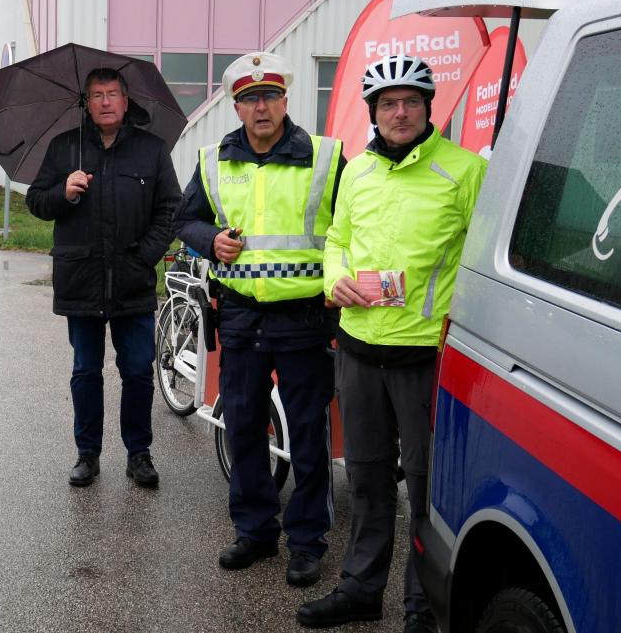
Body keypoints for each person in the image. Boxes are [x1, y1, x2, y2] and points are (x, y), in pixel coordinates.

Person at [297, 54, 487, 633]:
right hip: (358, 350)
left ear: (429, 107)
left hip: (425, 357)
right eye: (387, 104)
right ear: (373, 112)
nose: (399, 113)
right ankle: (361, 588)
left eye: (410, 102)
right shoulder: (356, 172)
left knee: (428, 488)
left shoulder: (464, 171)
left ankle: (423, 605)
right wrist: (335, 279)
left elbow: (483, 263)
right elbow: (335, 239)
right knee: (367, 477)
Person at [173, 52, 345, 586]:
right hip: (243, 316)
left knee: (307, 432)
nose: (261, 107)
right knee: (243, 426)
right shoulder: (213, 160)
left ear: (285, 101)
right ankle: (254, 532)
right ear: (237, 106)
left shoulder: (324, 157)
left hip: (305, 317)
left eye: (269, 96)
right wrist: (210, 240)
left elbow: (356, 223)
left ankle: (308, 540)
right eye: (250, 99)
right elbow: (185, 220)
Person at [26, 67, 181, 489]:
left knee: (136, 371)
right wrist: (64, 191)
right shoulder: (64, 150)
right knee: (85, 372)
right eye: (97, 95)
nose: (106, 102)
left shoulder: (151, 150)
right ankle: (87, 455)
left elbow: (171, 208)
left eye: (113, 93)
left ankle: (139, 453)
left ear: (126, 101)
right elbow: (36, 202)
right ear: (87, 103)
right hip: (82, 279)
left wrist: (146, 257)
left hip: (132, 280)